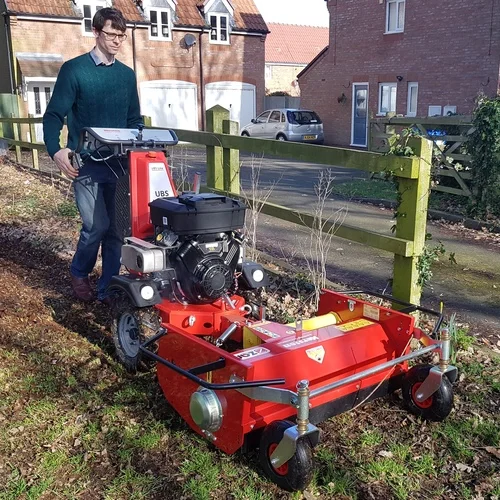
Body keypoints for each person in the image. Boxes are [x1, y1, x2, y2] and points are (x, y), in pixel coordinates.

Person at [43, 7, 142, 306]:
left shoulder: (126, 76)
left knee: (116, 231)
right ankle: (79, 270)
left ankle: (108, 286)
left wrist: (139, 143)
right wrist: (56, 150)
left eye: (121, 36)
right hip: (86, 164)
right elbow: (53, 115)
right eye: (111, 35)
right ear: (96, 32)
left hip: (120, 165)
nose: (116, 41)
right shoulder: (74, 71)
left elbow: (135, 120)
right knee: (96, 225)